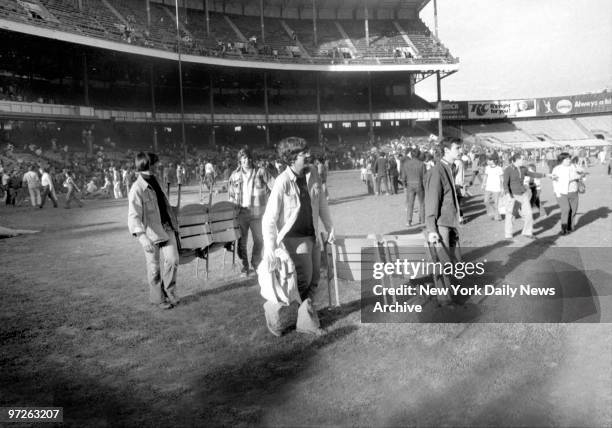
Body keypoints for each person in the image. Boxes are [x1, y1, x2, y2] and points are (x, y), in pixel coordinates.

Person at [262, 137, 334, 336]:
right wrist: (270, 249)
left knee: (315, 279)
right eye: (303, 153)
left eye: (306, 151)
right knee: (303, 280)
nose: (308, 155)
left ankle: (304, 314)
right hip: (295, 240)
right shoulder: (282, 182)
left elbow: (321, 204)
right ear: (291, 158)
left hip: (312, 235)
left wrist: (329, 226)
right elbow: (269, 219)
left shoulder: (313, 174)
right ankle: (304, 322)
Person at [127, 152, 180, 310]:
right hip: (150, 233)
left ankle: (170, 292)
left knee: (173, 260)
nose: (158, 166)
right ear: (148, 165)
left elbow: (162, 205)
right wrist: (142, 237)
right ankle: (158, 299)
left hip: (166, 227)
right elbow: (133, 215)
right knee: (154, 268)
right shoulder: (136, 189)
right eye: (156, 163)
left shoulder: (157, 181)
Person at [228, 147, 275, 277]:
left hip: (258, 213)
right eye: (244, 158)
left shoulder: (261, 172)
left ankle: (256, 263)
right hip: (241, 213)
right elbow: (231, 196)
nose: (247, 160)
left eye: (249, 158)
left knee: (259, 240)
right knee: (241, 243)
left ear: (251, 159)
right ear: (240, 160)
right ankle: (244, 268)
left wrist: (271, 204)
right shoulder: (234, 175)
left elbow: (275, 188)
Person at [425, 138, 462, 252]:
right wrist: (432, 229)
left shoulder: (451, 168)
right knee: (445, 263)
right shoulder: (437, 171)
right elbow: (432, 200)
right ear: (446, 150)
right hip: (442, 224)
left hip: (452, 221)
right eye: (457, 148)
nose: (461, 150)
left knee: (455, 262)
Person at [502, 153, 537, 240]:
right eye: (522, 159)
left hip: (523, 195)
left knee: (528, 214)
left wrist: (545, 175)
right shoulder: (508, 170)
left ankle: (527, 232)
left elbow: (533, 174)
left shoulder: (523, 169)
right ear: (516, 160)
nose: (523, 160)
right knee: (511, 215)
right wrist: (508, 194)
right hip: (513, 196)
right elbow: (505, 184)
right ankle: (508, 234)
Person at [551, 152, 584, 235]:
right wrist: (557, 193)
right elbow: (556, 181)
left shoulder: (574, 166)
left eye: (569, 158)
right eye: (567, 159)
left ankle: (570, 227)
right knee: (566, 210)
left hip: (574, 192)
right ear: (562, 160)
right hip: (562, 193)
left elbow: (583, 173)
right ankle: (564, 229)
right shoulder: (557, 169)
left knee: (573, 211)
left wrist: (581, 174)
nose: (569, 160)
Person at [401, 148, 426, 226]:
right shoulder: (422, 164)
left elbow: (403, 177)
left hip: (410, 185)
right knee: (422, 203)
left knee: (410, 204)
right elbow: (425, 177)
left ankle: (409, 220)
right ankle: (422, 220)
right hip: (419, 185)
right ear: (418, 155)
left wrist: (404, 185)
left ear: (411, 155)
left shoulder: (406, 164)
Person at [481, 157, 503, 221]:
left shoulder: (499, 168)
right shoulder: (487, 168)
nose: (488, 161)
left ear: (494, 161)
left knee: (496, 203)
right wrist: (483, 184)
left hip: (496, 188)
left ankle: (497, 217)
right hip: (488, 187)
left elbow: (502, 179)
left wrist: (503, 188)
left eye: (489, 160)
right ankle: (493, 213)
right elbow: (485, 176)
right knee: (486, 201)